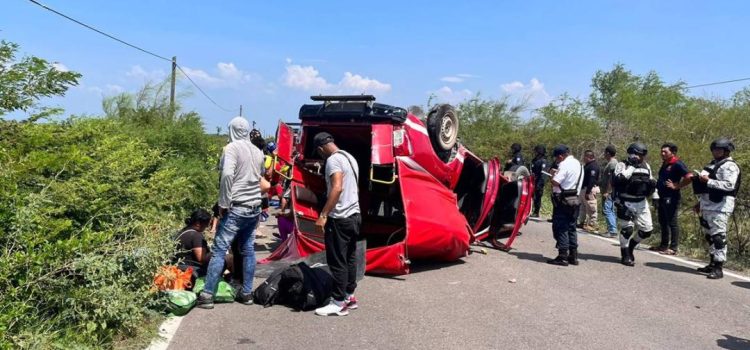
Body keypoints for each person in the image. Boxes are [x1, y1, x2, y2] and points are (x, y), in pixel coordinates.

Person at [197, 116, 266, 309]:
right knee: (248, 250)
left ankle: (207, 294)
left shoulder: (231, 149)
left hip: (236, 207)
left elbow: (227, 174)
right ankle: (246, 293)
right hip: (254, 207)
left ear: (232, 130)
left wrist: (223, 203)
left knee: (219, 250)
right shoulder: (257, 151)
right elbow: (260, 176)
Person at [312, 132, 362, 316]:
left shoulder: (333, 161)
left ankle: (338, 301)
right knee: (349, 258)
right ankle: (349, 296)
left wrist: (324, 214)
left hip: (340, 218)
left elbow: (338, 187)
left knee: (337, 260)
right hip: (355, 215)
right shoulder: (349, 157)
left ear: (320, 149)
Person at [693, 138, 741, 279]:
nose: (716, 152)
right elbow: (707, 187)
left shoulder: (730, 166)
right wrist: (699, 203)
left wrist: (709, 181)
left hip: (721, 206)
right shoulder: (712, 165)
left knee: (718, 237)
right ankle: (712, 263)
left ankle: (719, 268)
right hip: (707, 204)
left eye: (719, 149)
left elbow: (729, 185)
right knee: (710, 236)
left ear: (726, 151)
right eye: (714, 149)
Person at [613, 142, 657, 267]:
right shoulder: (622, 165)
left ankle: (631, 246)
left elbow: (651, 181)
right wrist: (631, 166)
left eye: (642, 155)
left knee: (647, 230)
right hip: (626, 201)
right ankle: (625, 254)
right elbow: (619, 179)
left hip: (641, 202)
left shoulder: (646, 165)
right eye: (638, 154)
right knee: (627, 229)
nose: (641, 157)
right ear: (632, 153)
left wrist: (655, 196)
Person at [650, 143, 692, 255]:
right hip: (661, 196)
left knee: (672, 222)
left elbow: (689, 177)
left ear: (672, 153)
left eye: (665, 152)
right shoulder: (665, 163)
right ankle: (663, 246)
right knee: (663, 221)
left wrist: (677, 186)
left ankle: (673, 248)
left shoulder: (677, 164)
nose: (662, 153)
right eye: (661, 151)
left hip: (672, 197)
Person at [547, 145, 583, 266]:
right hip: (575, 199)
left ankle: (562, 256)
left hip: (563, 199)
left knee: (561, 227)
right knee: (572, 227)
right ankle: (573, 255)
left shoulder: (564, 164)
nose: (556, 161)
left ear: (561, 156)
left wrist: (552, 174)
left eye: (557, 158)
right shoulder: (579, 164)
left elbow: (556, 182)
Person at [174, 209, 213, 277]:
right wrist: (215, 252)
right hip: (192, 271)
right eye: (206, 224)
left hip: (179, 269)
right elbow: (201, 258)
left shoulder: (182, 232)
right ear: (198, 223)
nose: (207, 227)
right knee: (228, 259)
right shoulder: (196, 236)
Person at [577, 150, 601, 233]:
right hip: (584, 189)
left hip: (589, 189)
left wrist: (588, 191)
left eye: (585, 157)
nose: (584, 158)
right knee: (582, 207)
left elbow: (592, 180)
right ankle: (581, 222)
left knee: (591, 207)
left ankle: (592, 224)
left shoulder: (593, 166)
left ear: (589, 157)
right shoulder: (587, 165)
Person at [600, 145, 619, 237]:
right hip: (607, 190)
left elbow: (611, 179)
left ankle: (612, 230)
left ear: (608, 153)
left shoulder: (613, 164)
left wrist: (608, 191)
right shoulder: (610, 163)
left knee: (608, 209)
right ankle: (610, 229)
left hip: (610, 192)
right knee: (609, 209)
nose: (604, 154)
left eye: (604, 152)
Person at [530, 144, 548, 218]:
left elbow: (543, 174)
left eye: (536, 151)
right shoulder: (534, 160)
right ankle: (530, 210)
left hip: (539, 181)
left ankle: (536, 212)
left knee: (538, 197)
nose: (535, 152)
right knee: (532, 196)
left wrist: (540, 184)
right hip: (533, 180)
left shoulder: (543, 161)